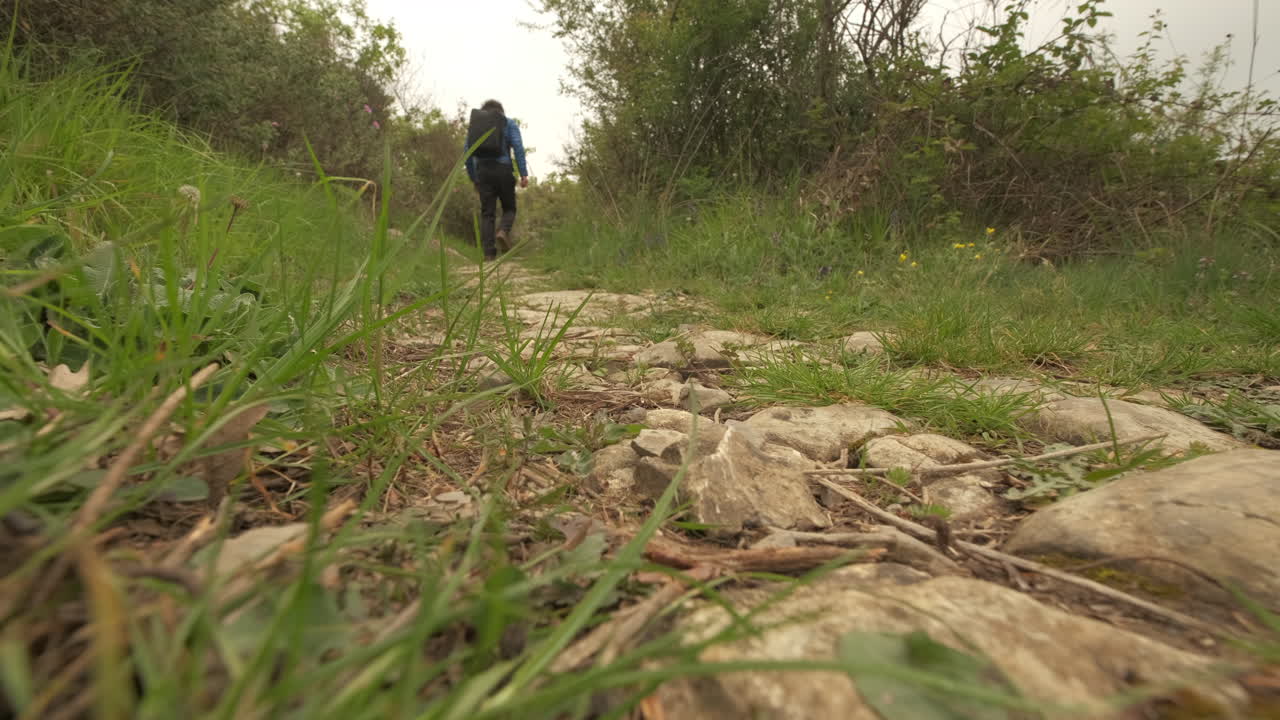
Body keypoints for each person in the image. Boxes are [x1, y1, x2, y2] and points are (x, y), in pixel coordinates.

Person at [465, 99, 529, 261]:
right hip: (504, 170)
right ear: (501, 111)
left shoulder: (476, 126)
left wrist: (474, 179)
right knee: (509, 208)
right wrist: (523, 173)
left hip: (483, 173)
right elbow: (518, 147)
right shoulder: (508, 123)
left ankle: (488, 254)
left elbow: (467, 153)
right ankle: (503, 231)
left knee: (488, 213)